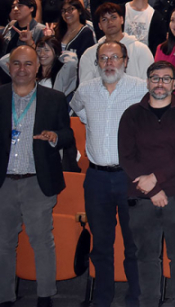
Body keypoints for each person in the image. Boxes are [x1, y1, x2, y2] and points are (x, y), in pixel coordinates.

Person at [70, 41, 147, 307]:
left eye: (115, 57)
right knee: (101, 245)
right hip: (96, 179)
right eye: (103, 58)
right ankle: (102, 299)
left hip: (130, 177)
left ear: (125, 60)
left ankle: (135, 299)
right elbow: (79, 111)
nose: (109, 63)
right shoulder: (86, 90)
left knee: (133, 244)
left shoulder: (141, 88)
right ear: (97, 63)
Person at [118, 60, 175, 307]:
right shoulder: (132, 114)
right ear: (148, 81)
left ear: (174, 84)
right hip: (141, 198)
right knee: (146, 257)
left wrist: (156, 179)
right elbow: (126, 157)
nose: (160, 83)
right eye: (155, 78)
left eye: (166, 79)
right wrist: (153, 190)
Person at [0, 45, 73, 307]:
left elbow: (68, 135)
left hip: (37, 182)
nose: (22, 69)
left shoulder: (54, 98)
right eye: (16, 63)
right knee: (2, 244)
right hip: (3, 183)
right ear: (9, 67)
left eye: (28, 64)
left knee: (42, 242)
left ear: (38, 68)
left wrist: (55, 138)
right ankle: (5, 297)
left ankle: (45, 297)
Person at [79, 3, 154, 82]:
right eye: (104, 19)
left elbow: (149, 83)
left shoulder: (141, 50)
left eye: (113, 17)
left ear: (122, 20)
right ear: (99, 25)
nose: (110, 22)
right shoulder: (89, 54)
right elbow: (85, 88)